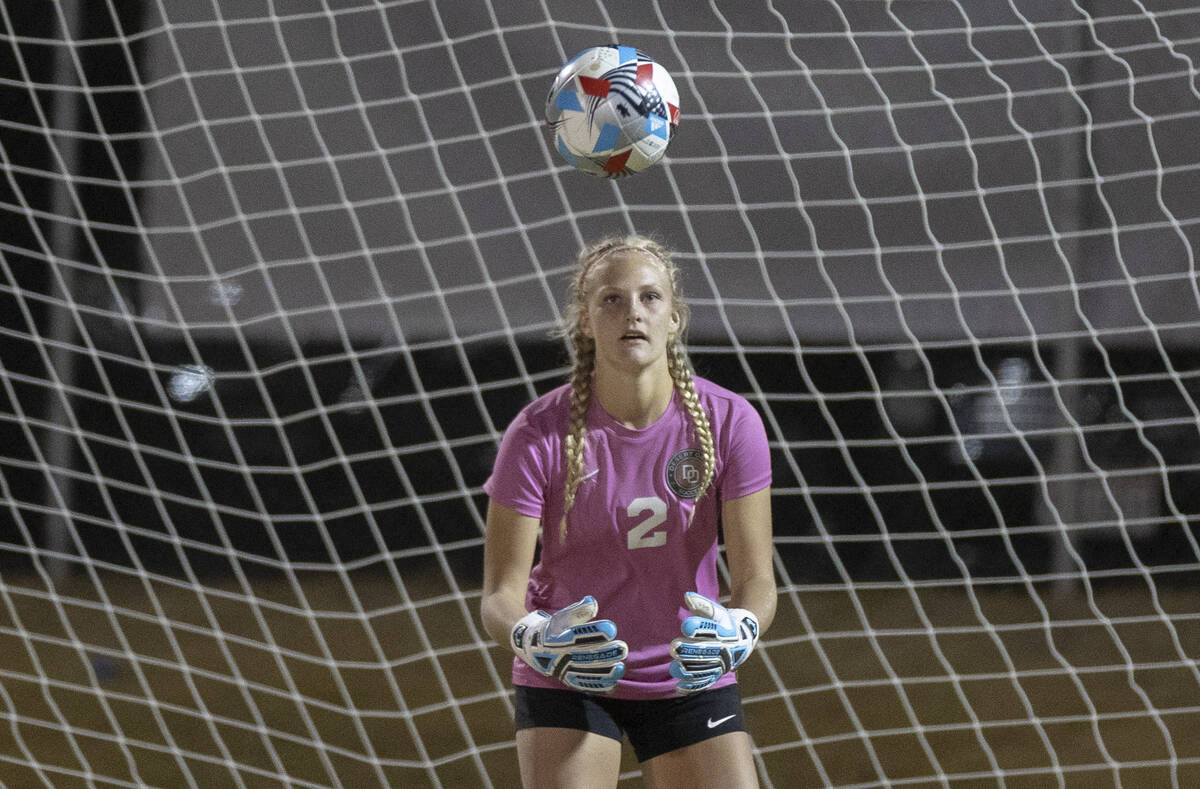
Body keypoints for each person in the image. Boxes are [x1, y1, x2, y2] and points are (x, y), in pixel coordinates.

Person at [480, 234, 776, 788]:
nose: (632, 313)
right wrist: (532, 638)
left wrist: (743, 627)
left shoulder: (731, 422)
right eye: (612, 299)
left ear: (674, 318)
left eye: (649, 297)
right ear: (586, 321)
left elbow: (758, 580)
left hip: (688, 668)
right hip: (571, 671)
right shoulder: (537, 433)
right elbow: (499, 594)